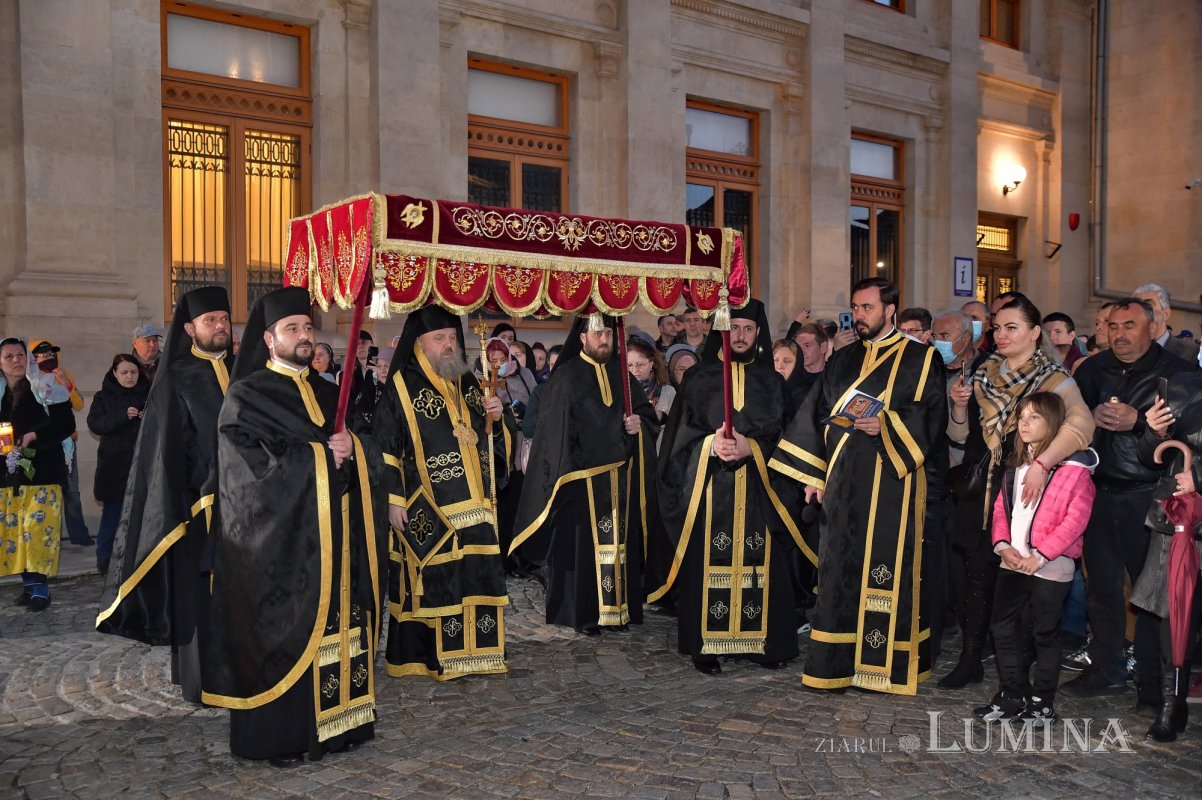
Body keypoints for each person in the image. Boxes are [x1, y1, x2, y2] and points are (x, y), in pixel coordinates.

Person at [202, 286, 379, 766]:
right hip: (278, 548)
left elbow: (364, 449)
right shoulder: (248, 396)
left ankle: (341, 723)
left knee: (338, 623)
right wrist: (319, 457)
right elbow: (246, 472)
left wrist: (354, 450)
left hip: (334, 536)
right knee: (286, 631)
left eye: (307, 327)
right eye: (292, 328)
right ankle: (281, 737)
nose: (304, 336)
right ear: (269, 338)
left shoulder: (328, 391)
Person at [770, 278, 947, 694]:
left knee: (886, 569)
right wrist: (815, 475)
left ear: (890, 309)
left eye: (867, 308)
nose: (859, 316)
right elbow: (817, 414)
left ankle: (880, 666)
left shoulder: (922, 359)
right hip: (842, 483)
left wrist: (887, 425)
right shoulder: (844, 358)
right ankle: (834, 664)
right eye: (855, 307)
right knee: (839, 570)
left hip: (892, 481)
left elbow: (931, 418)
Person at [940, 294, 1095, 689]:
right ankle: (971, 658)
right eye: (997, 328)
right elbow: (961, 437)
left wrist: (1043, 464)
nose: (1002, 335)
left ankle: (1021, 679)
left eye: (1012, 328)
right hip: (980, 490)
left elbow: (1082, 427)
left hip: (1023, 491)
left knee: (1021, 587)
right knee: (975, 579)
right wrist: (960, 409)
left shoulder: (1053, 378)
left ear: (1035, 332)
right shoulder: (983, 372)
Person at [651, 299, 809, 674]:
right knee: (706, 565)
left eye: (748, 329)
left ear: (758, 333)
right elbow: (677, 440)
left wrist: (752, 447)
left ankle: (764, 645)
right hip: (708, 491)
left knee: (763, 567)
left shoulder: (772, 382)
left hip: (759, 491)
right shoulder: (698, 379)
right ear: (722, 330)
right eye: (734, 328)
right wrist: (710, 445)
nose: (740, 336)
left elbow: (786, 439)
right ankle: (706, 646)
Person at [95, 287, 233, 704]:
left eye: (224, 319)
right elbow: (164, 449)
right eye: (210, 320)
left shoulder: (244, 371)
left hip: (244, 505)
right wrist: (192, 495)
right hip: (196, 507)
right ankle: (203, 682)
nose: (220, 326)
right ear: (190, 328)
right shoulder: (176, 377)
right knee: (200, 598)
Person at [374, 305, 513, 680]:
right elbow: (384, 447)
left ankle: (480, 654)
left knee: (475, 577)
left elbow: (491, 441)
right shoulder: (401, 386)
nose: (449, 345)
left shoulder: (468, 381)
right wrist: (393, 499)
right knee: (436, 583)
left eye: (452, 337)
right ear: (419, 343)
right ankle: (430, 659)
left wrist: (497, 418)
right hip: (429, 507)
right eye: (439, 339)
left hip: (476, 506)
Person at [1065, 297, 1191, 699]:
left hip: (1149, 496)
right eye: (1113, 326)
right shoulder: (1093, 369)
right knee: (1101, 587)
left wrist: (1139, 424)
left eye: (1129, 325)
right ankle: (1106, 668)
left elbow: (1191, 436)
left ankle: (1151, 682)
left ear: (1151, 327)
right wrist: (1088, 422)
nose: (1119, 334)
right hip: (1098, 492)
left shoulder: (1179, 372)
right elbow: (1072, 421)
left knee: (1149, 593)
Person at [512, 312, 659, 635]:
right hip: (579, 484)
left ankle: (617, 611)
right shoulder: (567, 377)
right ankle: (585, 614)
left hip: (619, 482)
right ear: (582, 337)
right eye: (597, 334)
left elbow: (645, 417)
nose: (603, 340)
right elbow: (554, 435)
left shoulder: (622, 374)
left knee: (619, 546)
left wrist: (639, 425)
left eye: (607, 333)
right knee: (583, 552)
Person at [973, 392, 1096, 724]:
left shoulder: (1074, 470)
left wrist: (1040, 556)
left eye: (1034, 417)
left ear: (1053, 423)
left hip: (1050, 565)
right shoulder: (1016, 464)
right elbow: (1002, 508)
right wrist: (1003, 546)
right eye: (1022, 416)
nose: (1024, 423)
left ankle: (1043, 702)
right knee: (1002, 627)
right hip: (1013, 559)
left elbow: (1075, 521)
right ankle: (1013, 694)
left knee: (1045, 633)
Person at [1137, 374, 1202, 741]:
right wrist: (1154, 431)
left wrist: (1200, 477)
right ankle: (1171, 705)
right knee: (1173, 612)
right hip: (1177, 518)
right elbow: (1150, 458)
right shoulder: (1184, 386)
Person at [0, 338, 74, 611]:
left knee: (37, 530)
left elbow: (65, 423)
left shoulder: (44, 385)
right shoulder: (2, 394)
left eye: (20, 355)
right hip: (10, 475)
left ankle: (41, 590)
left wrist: (35, 435)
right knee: (17, 532)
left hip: (43, 471)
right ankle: (29, 585)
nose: (16, 360)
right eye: (9, 356)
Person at [85, 354, 149, 574]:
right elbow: (96, 424)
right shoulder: (104, 396)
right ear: (115, 373)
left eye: (133, 372)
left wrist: (147, 417)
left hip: (142, 465)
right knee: (112, 516)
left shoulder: (148, 393)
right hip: (114, 467)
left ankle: (140, 561)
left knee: (141, 516)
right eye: (124, 372)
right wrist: (122, 416)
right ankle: (104, 561)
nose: (129, 377)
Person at [29, 340, 91, 546]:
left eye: (51, 354)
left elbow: (79, 404)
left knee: (72, 490)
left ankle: (79, 535)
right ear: (33, 359)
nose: (49, 357)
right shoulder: (29, 379)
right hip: (43, 444)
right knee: (46, 491)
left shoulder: (63, 374)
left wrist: (66, 384)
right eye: (43, 355)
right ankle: (48, 536)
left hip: (66, 443)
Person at [1134, 283, 1202, 367]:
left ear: (1166, 314)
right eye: (1136, 308)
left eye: (1148, 307)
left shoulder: (1192, 353)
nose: (1141, 313)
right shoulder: (1124, 351)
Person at [627, 337, 675, 425]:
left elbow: (676, 425)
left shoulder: (668, 392)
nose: (634, 370)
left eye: (640, 365)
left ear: (651, 363)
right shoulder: (618, 391)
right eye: (629, 365)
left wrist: (662, 417)